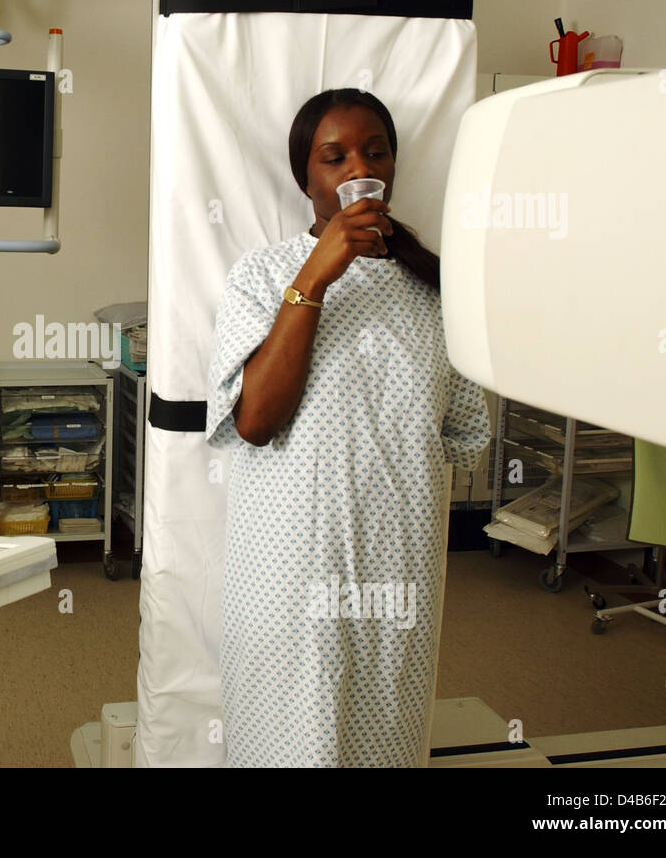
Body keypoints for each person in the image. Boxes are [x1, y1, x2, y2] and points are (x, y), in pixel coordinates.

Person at [205, 89, 491, 767]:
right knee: (283, 738)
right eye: (334, 157)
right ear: (307, 178)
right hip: (286, 568)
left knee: (381, 737)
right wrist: (316, 275)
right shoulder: (262, 276)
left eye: (375, 151)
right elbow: (254, 420)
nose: (360, 167)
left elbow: (462, 436)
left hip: (395, 569)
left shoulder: (435, 291)